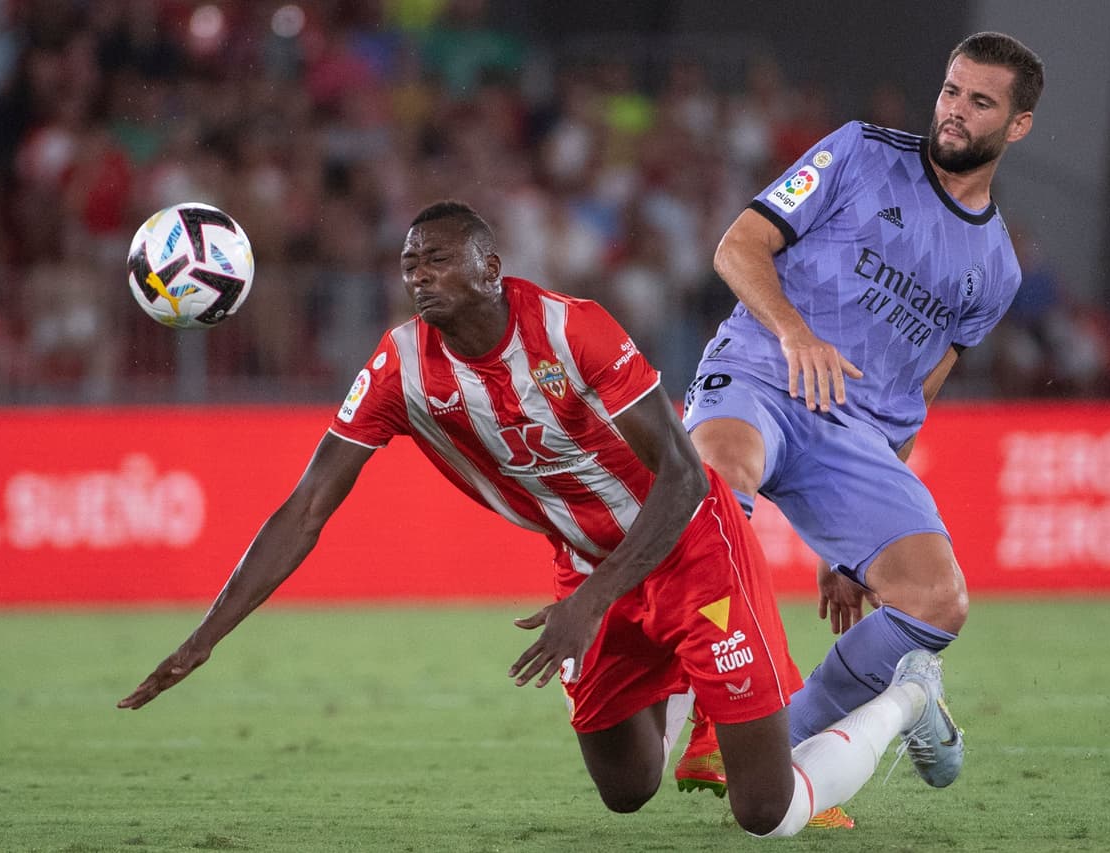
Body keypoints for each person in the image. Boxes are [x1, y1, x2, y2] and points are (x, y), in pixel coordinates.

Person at [118, 200, 959, 838]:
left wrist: (591, 602)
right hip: (588, 566)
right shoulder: (400, 366)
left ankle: (905, 699)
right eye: (409, 264)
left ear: (490, 266)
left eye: (438, 260)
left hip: (692, 547)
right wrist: (207, 635)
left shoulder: (572, 330)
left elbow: (681, 477)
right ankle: (687, 680)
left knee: (764, 811)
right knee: (627, 790)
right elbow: (306, 506)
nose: (418, 276)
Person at [675, 32, 1045, 795]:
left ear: (1017, 126)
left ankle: (780, 739)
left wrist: (849, 550)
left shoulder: (997, 267)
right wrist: (795, 331)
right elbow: (738, 245)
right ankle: (721, 703)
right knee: (716, 478)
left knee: (938, 599)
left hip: (854, 435)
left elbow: (922, 391)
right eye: (951, 91)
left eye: (981, 102)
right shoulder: (858, 152)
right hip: (760, 370)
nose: (955, 112)